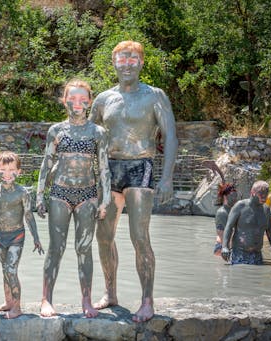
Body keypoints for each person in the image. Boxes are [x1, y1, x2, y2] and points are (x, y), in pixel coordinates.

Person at [89, 40, 178, 322]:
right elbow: (89, 136)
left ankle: (147, 300)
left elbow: (171, 136)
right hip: (109, 169)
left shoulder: (155, 95)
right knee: (103, 236)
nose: (127, 63)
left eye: (133, 58)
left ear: (141, 63)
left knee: (139, 237)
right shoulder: (103, 99)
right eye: (121, 58)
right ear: (114, 63)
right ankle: (110, 292)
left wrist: (167, 178)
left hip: (141, 166)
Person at [36, 79, 111, 318]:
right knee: (55, 248)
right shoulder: (56, 131)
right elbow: (46, 165)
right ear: (65, 100)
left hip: (87, 196)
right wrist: (40, 195)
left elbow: (104, 168)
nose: (76, 103)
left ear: (89, 102)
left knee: (84, 248)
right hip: (60, 193)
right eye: (72, 98)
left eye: (82, 99)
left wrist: (105, 200)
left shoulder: (98, 132)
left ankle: (86, 301)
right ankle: (46, 299)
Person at [0, 151, 44, 319]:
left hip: (17, 236)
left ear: (19, 172)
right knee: (5, 271)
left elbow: (29, 216)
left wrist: (36, 238)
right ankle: (8, 302)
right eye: (3, 170)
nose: (8, 174)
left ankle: (17, 307)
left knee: (11, 270)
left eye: (12, 170)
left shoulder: (22, 192)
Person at [221, 180, 271, 265]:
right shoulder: (240, 206)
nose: (264, 197)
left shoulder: (266, 210)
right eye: (261, 194)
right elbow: (229, 227)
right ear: (252, 192)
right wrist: (225, 247)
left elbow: (270, 233)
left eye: (266, 194)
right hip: (239, 255)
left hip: (257, 257)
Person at [214, 183, 239, 255]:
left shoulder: (235, 210)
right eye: (232, 196)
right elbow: (221, 235)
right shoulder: (222, 213)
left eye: (236, 196)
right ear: (225, 197)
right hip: (222, 248)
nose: (235, 199)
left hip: (232, 247)